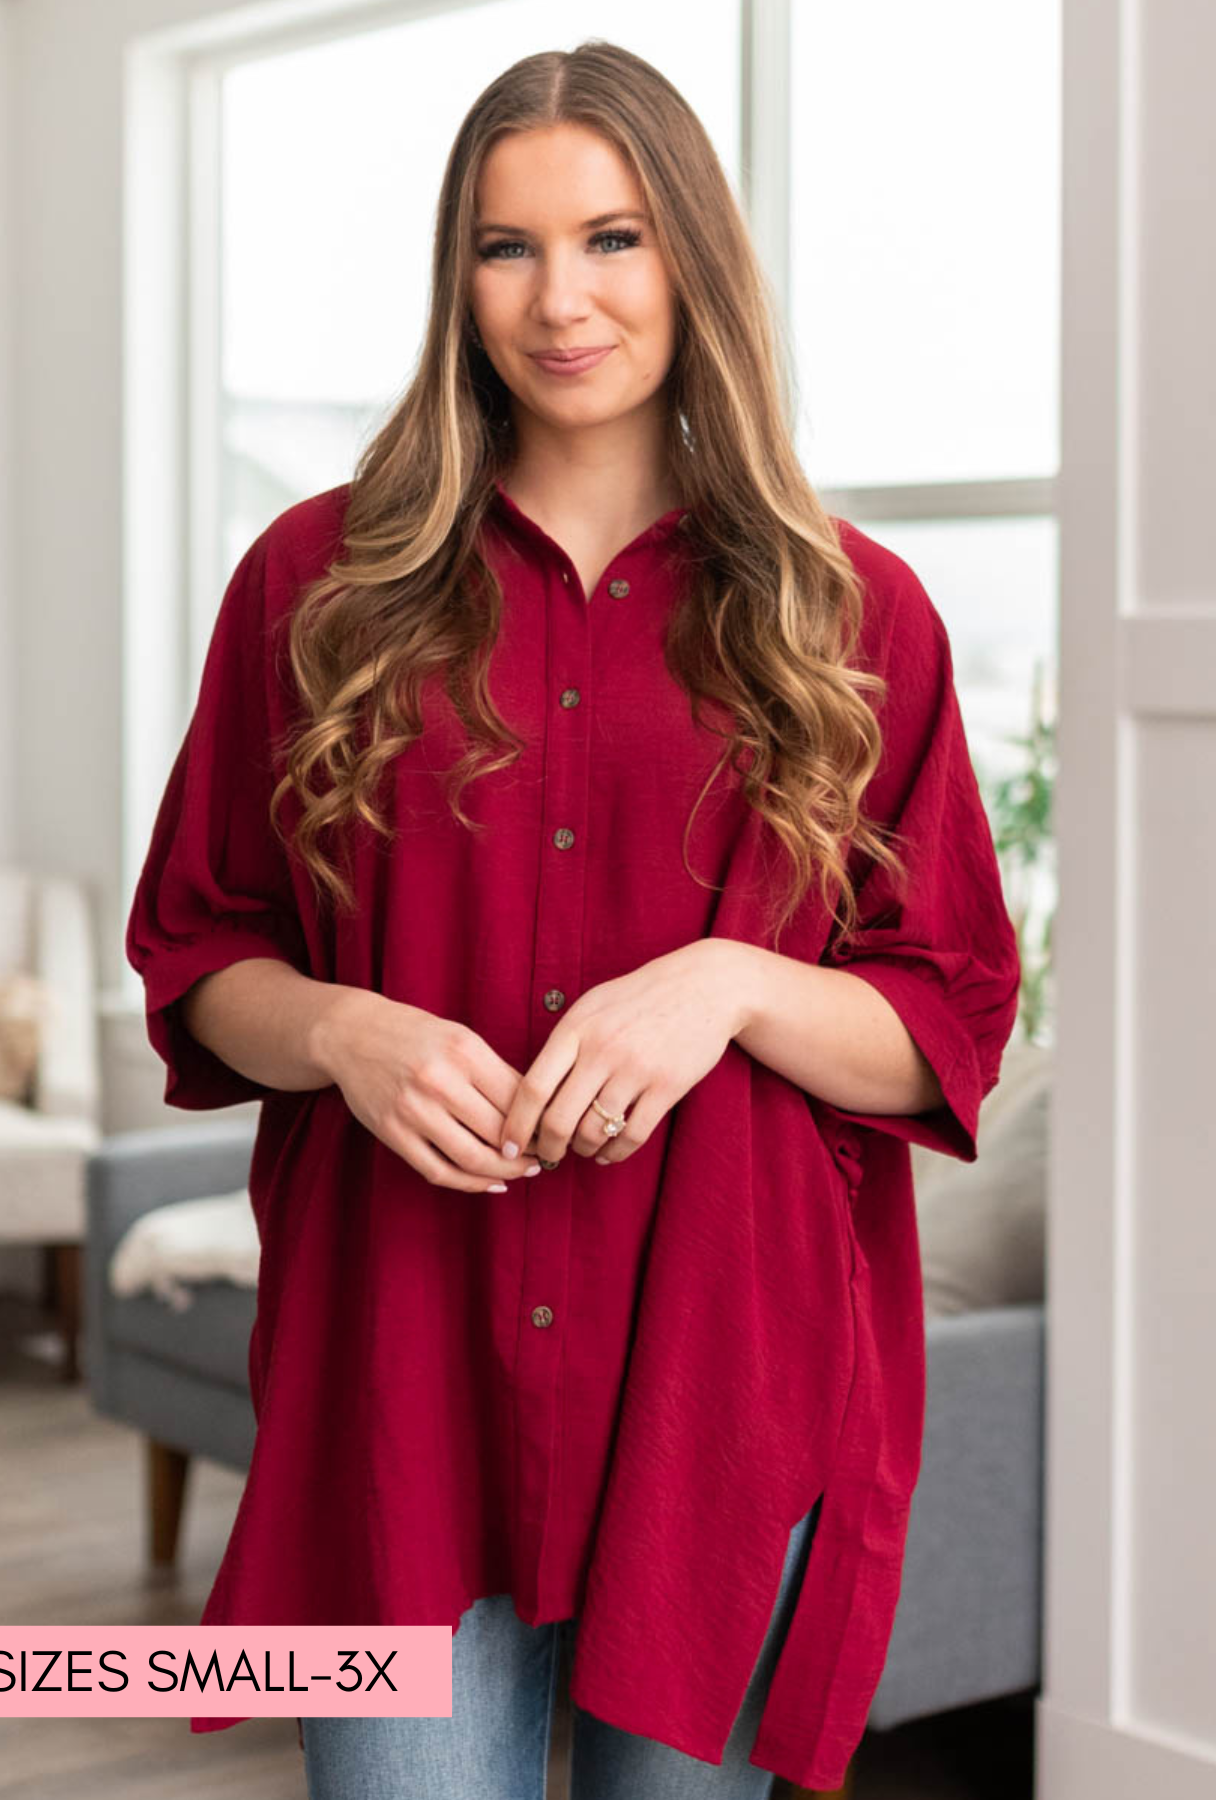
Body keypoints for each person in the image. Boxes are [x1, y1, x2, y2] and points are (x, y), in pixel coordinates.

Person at [125, 38, 1022, 1800]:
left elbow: (946, 1014)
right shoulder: (312, 581)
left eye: (610, 239)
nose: (560, 300)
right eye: (505, 245)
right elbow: (198, 946)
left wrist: (729, 986)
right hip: (397, 1373)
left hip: (723, 1392)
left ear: (689, 256)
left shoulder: (856, 613)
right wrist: (338, 1029)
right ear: (453, 276)